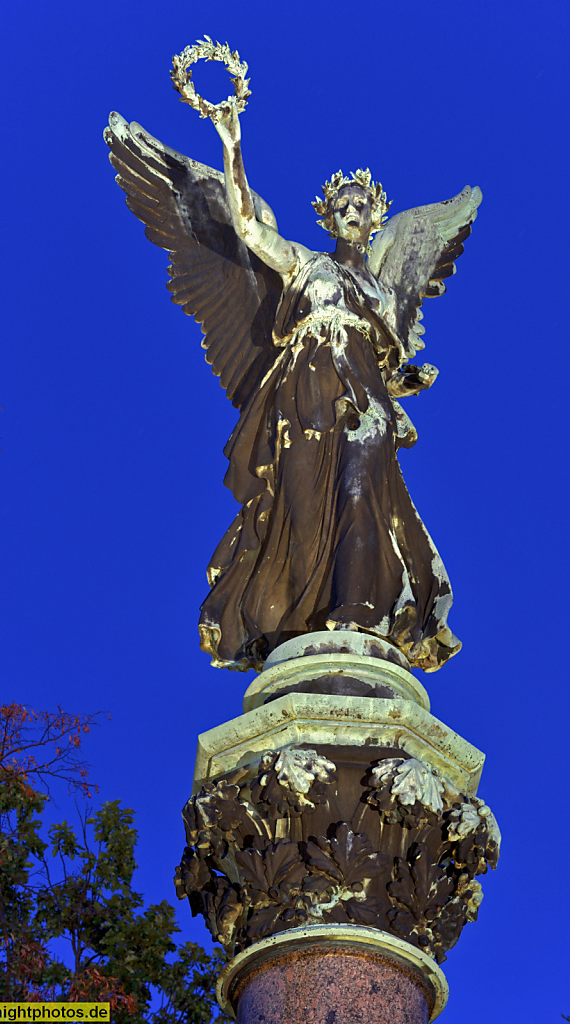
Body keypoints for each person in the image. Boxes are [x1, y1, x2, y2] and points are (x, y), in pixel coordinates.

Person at [195, 99, 462, 672]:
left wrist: (405, 380)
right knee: (299, 502)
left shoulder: (384, 292)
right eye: (340, 204)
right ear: (328, 217)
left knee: (363, 491)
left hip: (365, 400)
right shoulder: (305, 264)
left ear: (374, 218)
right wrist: (232, 140)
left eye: (359, 204)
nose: (349, 210)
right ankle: (295, 617)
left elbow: (384, 362)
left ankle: (357, 604)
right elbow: (245, 226)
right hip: (303, 393)